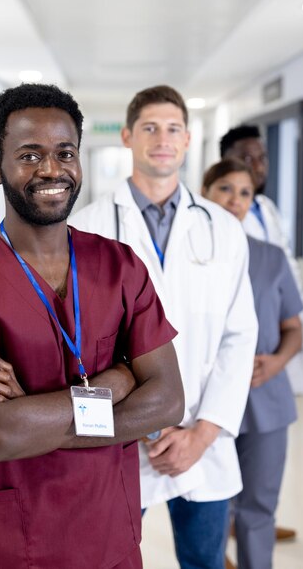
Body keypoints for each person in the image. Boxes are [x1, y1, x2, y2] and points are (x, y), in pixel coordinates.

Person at [0, 83, 185, 569]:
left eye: (65, 152)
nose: (51, 170)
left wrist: (35, 417)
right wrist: (117, 382)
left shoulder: (121, 266)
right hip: (9, 545)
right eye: (29, 155)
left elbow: (168, 400)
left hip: (110, 535)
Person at [68, 85, 258, 569]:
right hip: (125, 440)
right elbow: (80, 346)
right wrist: (145, 425)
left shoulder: (223, 228)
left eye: (173, 128)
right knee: (105, 558)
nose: (162, 139)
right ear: (128, 136)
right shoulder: (87, 230)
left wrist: (203, 432)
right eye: (150, 127)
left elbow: (240, 337)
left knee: (204, 562)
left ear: (189, 140)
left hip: (204, 440)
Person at [202, 158, 303, 569]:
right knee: (211, 507)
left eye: (245, 193)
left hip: (265, 401)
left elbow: (294, 329)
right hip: (207, 400)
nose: (235, 200)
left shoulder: (272, 258)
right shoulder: (189, 252)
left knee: (258, 507)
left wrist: (278, 362)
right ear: (204, 193)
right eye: (225, 188)